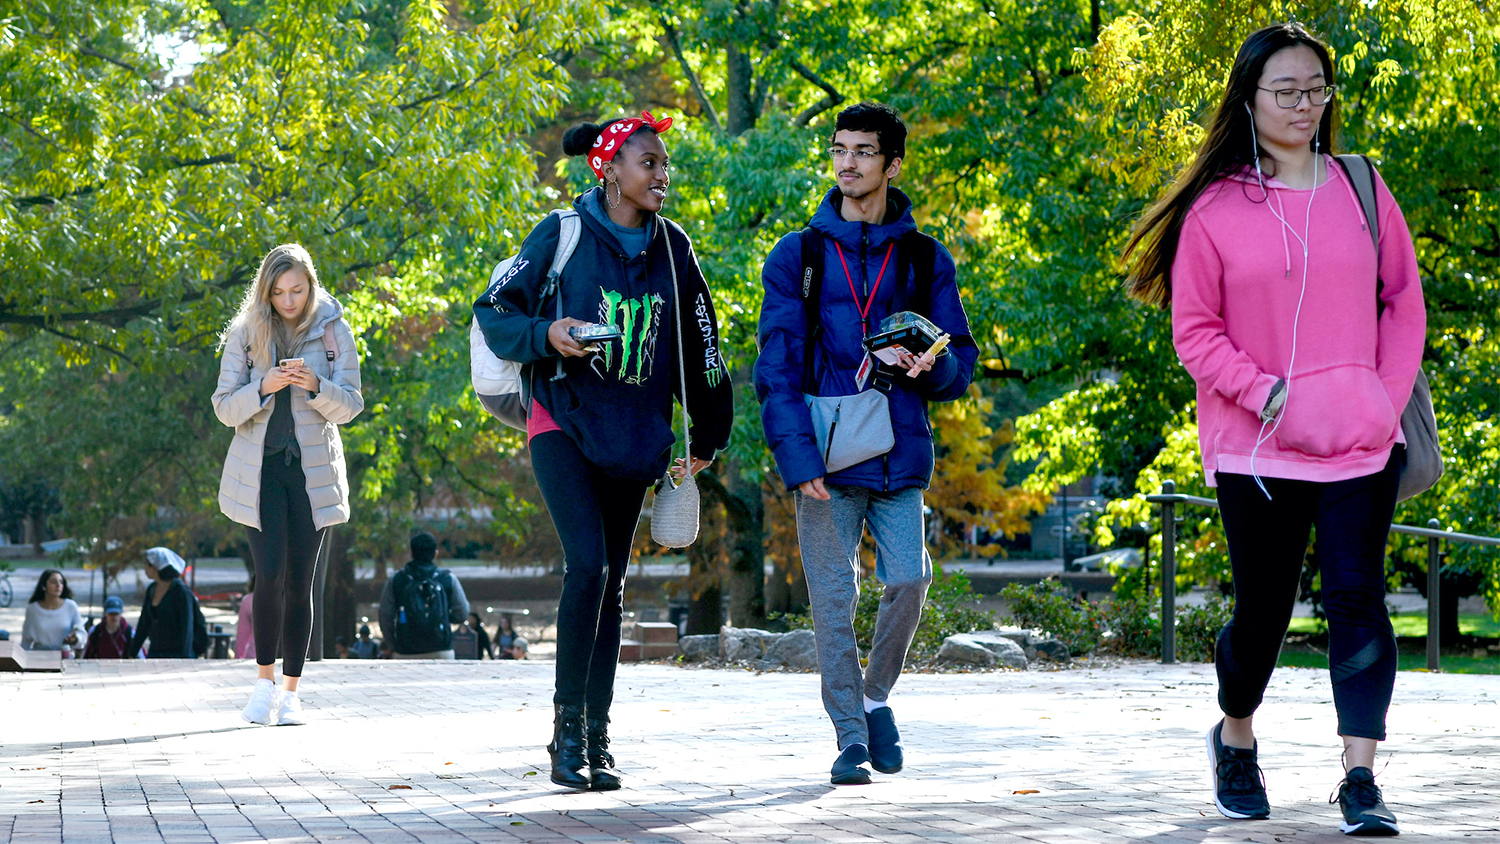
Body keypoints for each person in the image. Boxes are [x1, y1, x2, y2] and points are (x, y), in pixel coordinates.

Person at [1122, 23, 1422, 837]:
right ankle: (1237, 734)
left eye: (1316, 89)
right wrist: (1270, 396)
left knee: (1359, 599)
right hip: (1258, 443)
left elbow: (1403, 302)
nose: (1304, 104)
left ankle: (1360, 777)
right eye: (1286, 91)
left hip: (1362, 440)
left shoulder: (1363, 187)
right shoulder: (1217, 208)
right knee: (1264, 609)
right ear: (1248, 100)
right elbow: (1196, 332)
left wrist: (1380, 399)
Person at [473, 111, 733, 791]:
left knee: (613, 588)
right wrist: (548, 333)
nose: (662, 176)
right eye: (648, 163)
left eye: (665, 164)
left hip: (635, 435)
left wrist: (707, 436)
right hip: (560, 419)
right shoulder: (561, 233)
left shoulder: (674, 250)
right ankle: (564, 734)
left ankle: (598, 737)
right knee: (586, 566)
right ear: (610, 170)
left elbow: (702, 345)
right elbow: (495, 310)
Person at [754, 102, 977, 786]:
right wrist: (797, 459)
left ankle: (877, 697)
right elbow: (776, 367)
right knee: (833, 600)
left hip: (898, 446)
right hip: (824, 453)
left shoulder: (924, 257)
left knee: (909, 578)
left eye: (863, 151)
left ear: (892, 164)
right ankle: (850, 738)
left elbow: (959, 359)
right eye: (839, 149)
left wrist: (931, 366)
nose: (847, 162)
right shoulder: (799, 255)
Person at [213, 243, 364, 726]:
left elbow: (353, 404)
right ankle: (262, 684)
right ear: (266, 291)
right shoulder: (246, 332)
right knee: (269, 577)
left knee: (302, 583)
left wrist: (314, 387)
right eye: (278, 292)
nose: (288, 300)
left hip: (311, 472)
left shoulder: (333, 330)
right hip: (259, 473)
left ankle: (293, 693)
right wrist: (264, 387)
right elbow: (223, 407)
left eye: (297, 289)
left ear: (311, 284)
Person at [378, 532, 470, 659]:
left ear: (411, 553)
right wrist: (442, 617)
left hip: (405, 651)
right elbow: (463, 613)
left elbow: (385, 616)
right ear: (435, 554)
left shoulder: (397, 580)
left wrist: (394, 645)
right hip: (441, 650)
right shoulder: (447, 579)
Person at [128, 548, 196, 659]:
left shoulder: (181, 592)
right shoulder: (151, 590)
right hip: (155, 652)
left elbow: (187, 628)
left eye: (147, 564)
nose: (145, 568)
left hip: (176, 655)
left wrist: (185, 659)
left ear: (155, 567)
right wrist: (132, 653)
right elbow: (144, 623)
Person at [21, 569, 86, 656]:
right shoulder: (33, 609)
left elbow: (81, 633)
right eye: (53, 582)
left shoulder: (71, 606)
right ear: (43, 586)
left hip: (64, 656)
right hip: (39, 657)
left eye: (61, 582)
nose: (58, 585)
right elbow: (26, 639)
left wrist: (76, 639)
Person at [234, 575, 256, 660]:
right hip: (285, 656)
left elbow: (243, 634)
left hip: (254, 655)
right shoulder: (288, 598)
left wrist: (238, 658)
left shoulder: (249, 600)